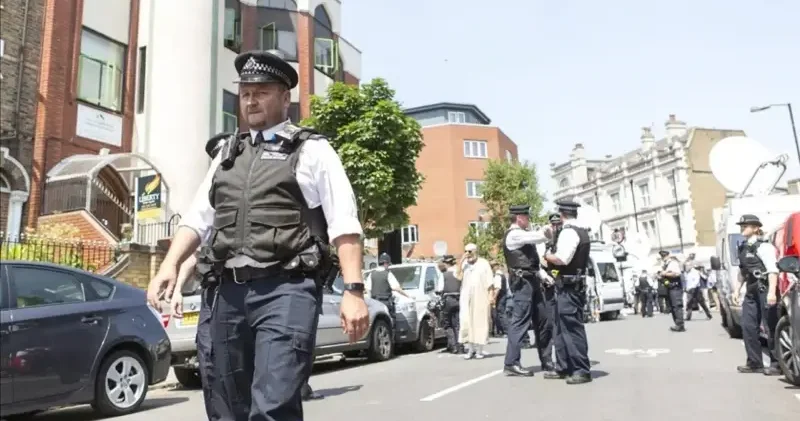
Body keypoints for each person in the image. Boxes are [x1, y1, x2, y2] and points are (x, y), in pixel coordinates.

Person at [145, 50, 368, 421]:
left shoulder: (312, 150)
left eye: (262, 91)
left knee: (272, 406)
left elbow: (344, 224)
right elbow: (198, 219)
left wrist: (354, 291)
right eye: (246, 92)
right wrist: (169, 265)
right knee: (225, 406)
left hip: (286, 290)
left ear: (286, 98)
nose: (251, 99)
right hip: (226, 293)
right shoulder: (226, 154)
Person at [542, 198, 593, 384]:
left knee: (571, 329)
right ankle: (564, 366)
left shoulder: (569, 233)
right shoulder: (581, 231)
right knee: (561, 328)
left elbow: (562, 259)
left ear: (562, 215)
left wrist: (547, 256)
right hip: (569, 285)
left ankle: (580, 369)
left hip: (569, 287)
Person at [502, 205, 553, 377]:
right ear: (519, 218)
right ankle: (511, 362)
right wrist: (546, 230)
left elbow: (531, 263)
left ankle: (547, 361)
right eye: (526, 217)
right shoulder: (514, 235)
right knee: (520, 321)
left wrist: (543, 276)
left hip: (532, 280)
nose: (528, 220)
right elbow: (536, 237)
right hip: (522, 283)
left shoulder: (523, 236)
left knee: (544, 320)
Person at [731, 214, 781, 375]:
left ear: (756, 228)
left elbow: (773, 271)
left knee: (770, 326)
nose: (742, 228)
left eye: (746, 226)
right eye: (741, 226)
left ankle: (776, 364)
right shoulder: (743, 247)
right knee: (748, 326)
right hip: (751, 290)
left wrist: (772, 292)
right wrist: (737, 290)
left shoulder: (764, 246)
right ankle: (754, 362)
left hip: (764, 288)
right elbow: (742, 272)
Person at [457, 243, 495, 359]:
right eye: (466, 251)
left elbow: (490, 282)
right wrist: (461, 261)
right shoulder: (465, 264)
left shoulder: (483, 263)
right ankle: (470, 350)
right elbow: (458, 277)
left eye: (470, 251)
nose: (468, 254)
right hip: (466, 297)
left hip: (481, 296)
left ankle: (479, 350)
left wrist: (491, 297)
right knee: (466, 322)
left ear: (475, 251)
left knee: (479, 323)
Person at [365, 253, 410, 323]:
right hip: (386, 303)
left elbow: (367, 289)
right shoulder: (388, 274)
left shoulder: (372, 274)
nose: (389, 266)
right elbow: (396, 288)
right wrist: (408, 296)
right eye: (388, 264)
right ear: (385, 263)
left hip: (374, 303)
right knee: (391, 322)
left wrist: (371, 299)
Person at [439, 255, 463, 353]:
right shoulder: (459, 273)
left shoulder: (444, 275)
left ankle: (453, 346)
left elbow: (440, 289)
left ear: (446, 263)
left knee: (447, 324)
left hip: (448, 300)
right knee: (457, 324)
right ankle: (460, 346)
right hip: (459, 299)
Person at [658, 250, 685, 332]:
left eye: (664, 256)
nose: (663, 258)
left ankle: (680, 325)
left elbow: (676, 274)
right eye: (662, 256)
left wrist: (664, 274)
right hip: (670, 288)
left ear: (668, 255)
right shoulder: (665, 265)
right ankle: (677, 324)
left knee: (677, 306)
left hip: (675, 287)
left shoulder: (673, 263)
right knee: (673, 307)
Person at [490, 262, 508, 337]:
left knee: (501, 314)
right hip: (504, 295)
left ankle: (505, 331)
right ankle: (504, 331)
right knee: (502, 313)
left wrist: (494, 297)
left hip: (500, 297)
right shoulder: (502, 275)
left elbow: (497, 288)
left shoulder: (497, 276)